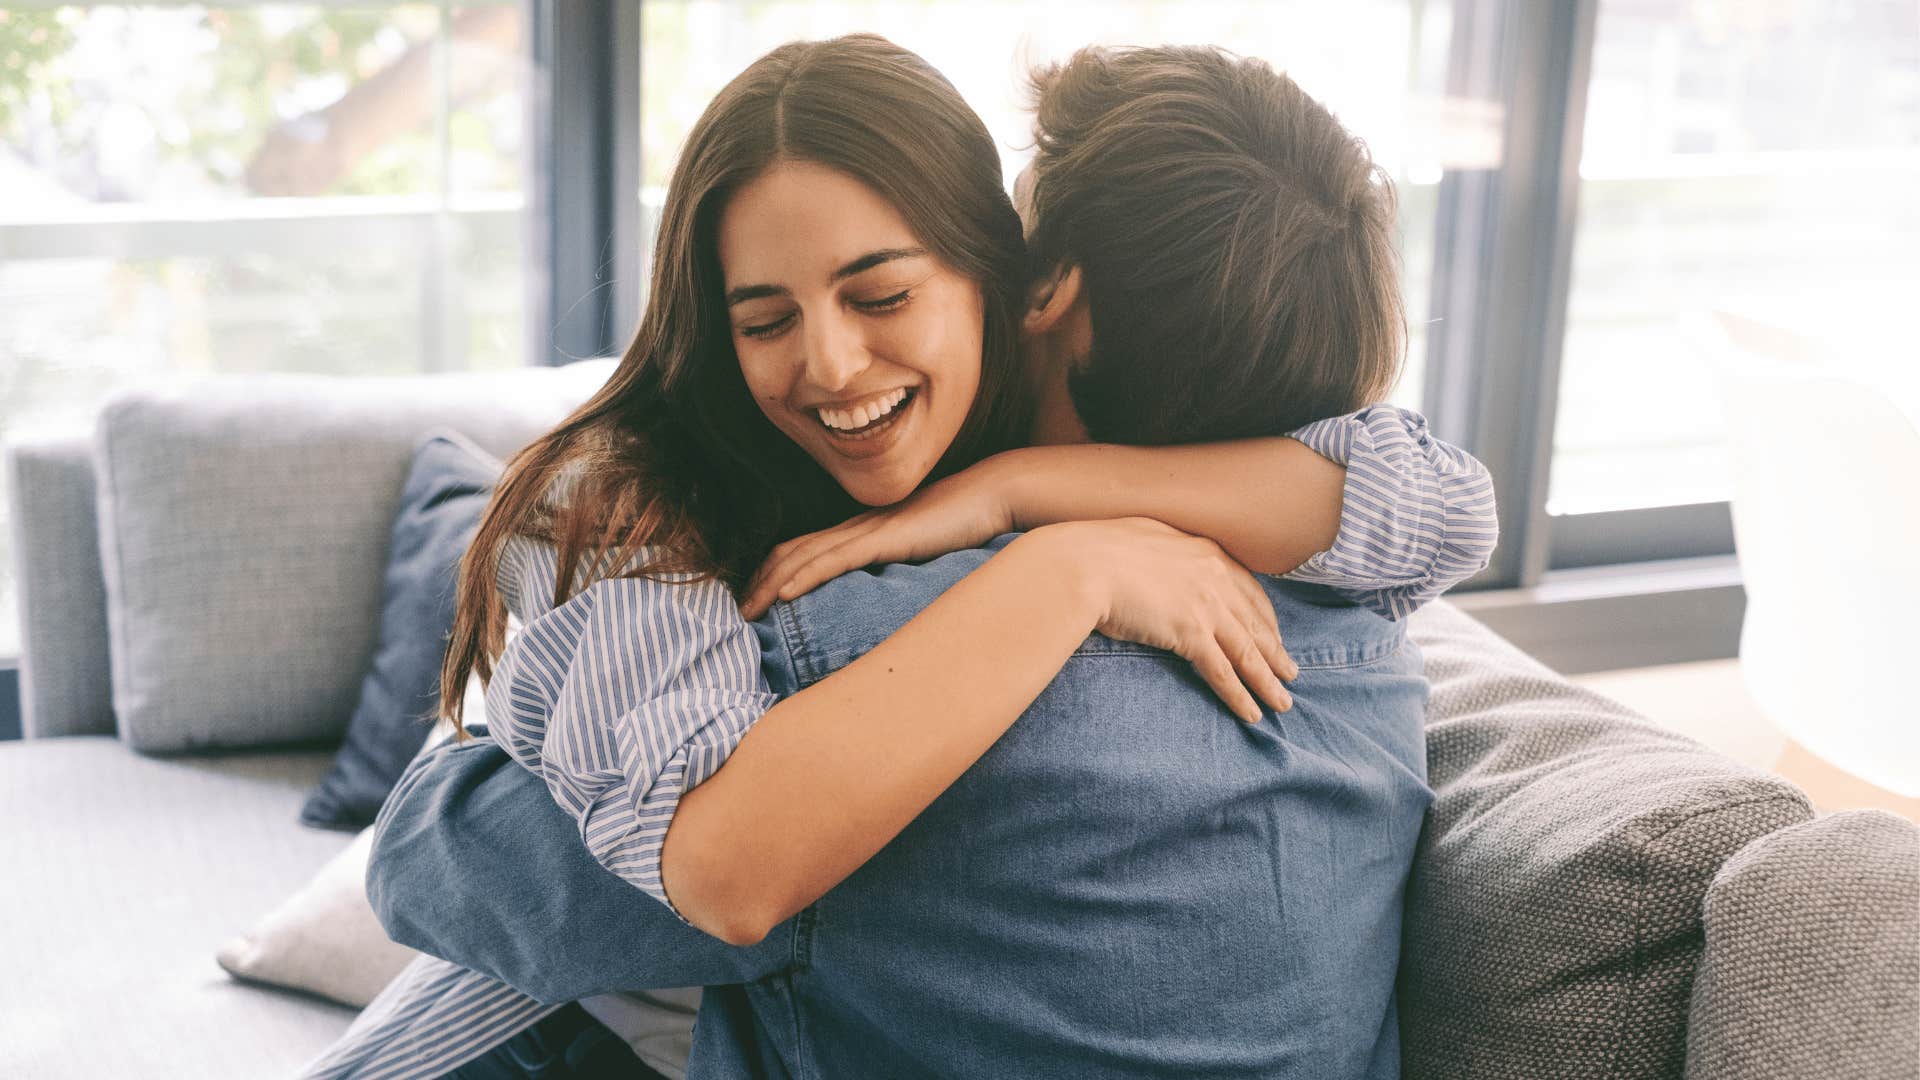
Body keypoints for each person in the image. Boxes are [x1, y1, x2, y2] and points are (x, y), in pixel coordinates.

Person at [307, 36, 1492, 1079]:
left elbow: (466, 860)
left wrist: (1038, 512)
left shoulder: (889, 626)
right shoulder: (1347, 596)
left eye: (883, 292)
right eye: (765, 319)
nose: (828, 364)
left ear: (1027, 281)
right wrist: (1063, 560)